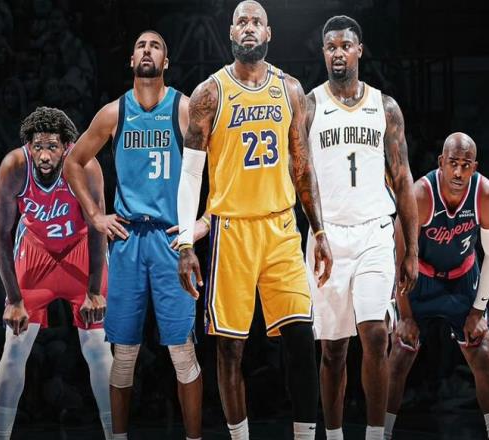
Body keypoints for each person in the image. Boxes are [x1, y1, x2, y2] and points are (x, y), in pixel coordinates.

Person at [177, 2, 333, 439]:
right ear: (231, 33)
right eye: (241, 22)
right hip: (232, 230)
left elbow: (302, 166)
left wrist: (319, 230)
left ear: (269, 33)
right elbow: (190, 175)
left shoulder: (290, 88)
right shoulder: (210, 92)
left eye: (256, 22)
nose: (249, 28)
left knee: (301, 339)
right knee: (231, 349)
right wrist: (185, 243)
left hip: (281, 228)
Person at [63, 30, 204, 440]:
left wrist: (205, 221)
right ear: (131, 60)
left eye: (155, 46)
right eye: (141, 45)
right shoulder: (114, 113)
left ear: (166, 62)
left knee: (182, 353)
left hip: (170, 239)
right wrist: (95, 215)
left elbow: (225, 167)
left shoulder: (184, 108)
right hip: (127, 240)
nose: (147, 50)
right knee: (123, 355)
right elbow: (73, 163)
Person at [305, 15, 418, 440]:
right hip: (328, 236)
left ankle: (374, 435)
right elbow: (300, 176)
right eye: (330, 46)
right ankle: (334, 435)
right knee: (333, 350)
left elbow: (403, 179)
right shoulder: (310, 105)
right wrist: (315, 231)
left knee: (375, 334)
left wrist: (412, 249)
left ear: (359, 50)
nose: (338, 53)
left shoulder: (385, 107)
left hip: (374, 232)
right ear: (324, 53)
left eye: (345, 46)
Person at [0, 106, 113, 439]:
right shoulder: (14, 167)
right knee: (14, 348)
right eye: (38, 147)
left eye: (52, 147)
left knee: (97, 347)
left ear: (67, 146)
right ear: (28, 146)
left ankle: (115, 435)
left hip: (81, 251)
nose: (44, 155)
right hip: (36, 254)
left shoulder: (85, 165)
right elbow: (2, 234)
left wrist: (94, 291)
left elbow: (98, 229)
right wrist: (14, 299)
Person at [385, 132, 489, 440]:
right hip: (418, 279)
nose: (458, 172)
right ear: (441, 163)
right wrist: (405, 316)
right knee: (400, 352)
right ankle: (381, 434)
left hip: (462, 279)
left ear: (474, 167)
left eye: (465, 165)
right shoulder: (420, 195)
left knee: (482, 351)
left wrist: (478, 311)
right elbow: (398, 256)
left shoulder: (486, 194)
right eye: (453, 163)